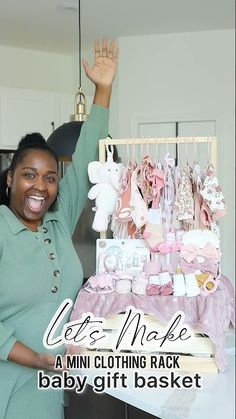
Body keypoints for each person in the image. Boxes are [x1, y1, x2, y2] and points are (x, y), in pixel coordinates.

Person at [0, 39, 118, 419]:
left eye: (50, 178)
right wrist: (36, 358)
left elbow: (86, 157)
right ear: (9, 180)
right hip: (9, 385)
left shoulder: (58, 218)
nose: (40, 187)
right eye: (29, 175)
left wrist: (103, 90)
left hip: (49, 387)